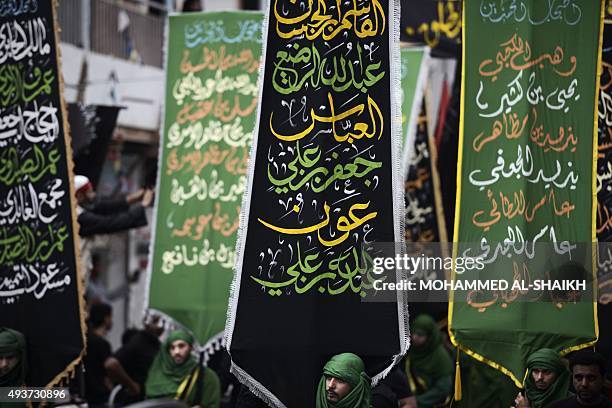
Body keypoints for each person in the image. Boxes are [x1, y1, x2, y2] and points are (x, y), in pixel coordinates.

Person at [74, 174, 153, 283]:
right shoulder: (78, 217)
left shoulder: (80, 207)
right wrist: (143, 206)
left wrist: (134, 198)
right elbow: (110, 223)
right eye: (89, 193)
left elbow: (104, 206)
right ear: (79, 196)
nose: (93, 196)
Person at [145, 330, 221, 408]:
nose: (176, 352)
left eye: (181, 346)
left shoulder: (206, 376)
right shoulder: (158, 373)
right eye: (172, 347)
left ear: (190, 347)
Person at [105, 315, 164, 405]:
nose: (161, 325)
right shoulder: (139, 341)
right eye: (156, 321)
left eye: (162, 322)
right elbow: (111, 364)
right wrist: (131, 385)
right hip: (135, 402)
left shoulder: (155, 344)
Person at [403, 314, 453, 408]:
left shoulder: (440, 356)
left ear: (430, 336)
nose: (415, 337)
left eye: (420, 335)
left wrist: (418, 402)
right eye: (413, 333)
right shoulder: (411, 350)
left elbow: (444, 388)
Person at [84, 303, 114, 407]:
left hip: (85, 396)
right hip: (100, 399)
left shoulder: (84, 341)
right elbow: (110, 368)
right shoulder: (102, 344)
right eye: (111, 317)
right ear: (106, 319)